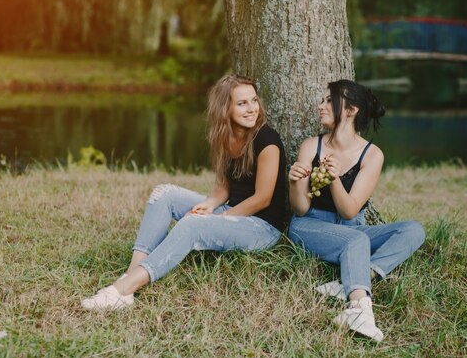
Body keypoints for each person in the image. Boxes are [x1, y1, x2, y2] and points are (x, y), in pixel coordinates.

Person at [82, 74, 288, 310]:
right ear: (225, 109)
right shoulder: (224, 136)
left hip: (261, 227)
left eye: (254, 100)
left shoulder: (267, 140)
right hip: (231, 211)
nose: (252, 109)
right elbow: (224, 186)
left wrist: (217, 219)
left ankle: (124, 289)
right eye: (242, 103)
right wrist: (211, 204)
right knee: (164, 194)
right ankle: (131, 277)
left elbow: (263, 199)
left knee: (193, 224)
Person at [288, 79, 425, 342]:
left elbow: (350, 211)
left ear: (351, 110)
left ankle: (353, 278)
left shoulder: (372, 155)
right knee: (357, 240)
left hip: (352, 229)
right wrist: (294, 181)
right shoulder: (311, 146)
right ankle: (358, 309)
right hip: (310, 226)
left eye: (330, 100)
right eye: (322, 100)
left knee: (413, 230)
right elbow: (301, 208)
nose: (321, 106)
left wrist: (334, 179)